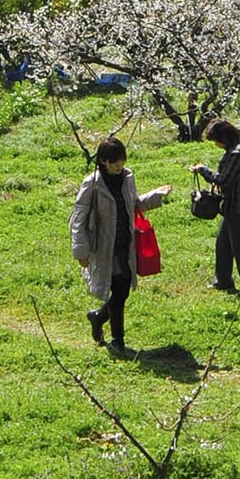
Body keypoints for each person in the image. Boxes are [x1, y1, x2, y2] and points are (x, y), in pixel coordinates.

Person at [70, 137, 172, 350]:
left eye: (121, 161)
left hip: (127, 243)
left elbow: (134, 204)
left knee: (122, 290)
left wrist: (156, 196)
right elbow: (78, 217)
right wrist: (80, 250)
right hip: (106, 246)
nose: (119, 166)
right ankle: (118, 341)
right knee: (118, 286)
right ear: (103, 162)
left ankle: (98, 317)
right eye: (114, 162)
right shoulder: (92, 184)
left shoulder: (127, 178)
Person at [192, 118, 240, 296]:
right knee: (223, 244)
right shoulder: (239, 145)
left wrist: (204, 171)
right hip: (233, 206)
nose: (216, 144)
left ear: (224, 137)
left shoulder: (237, 153)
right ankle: (223, 281)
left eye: (216, 140)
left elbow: (225, 180)